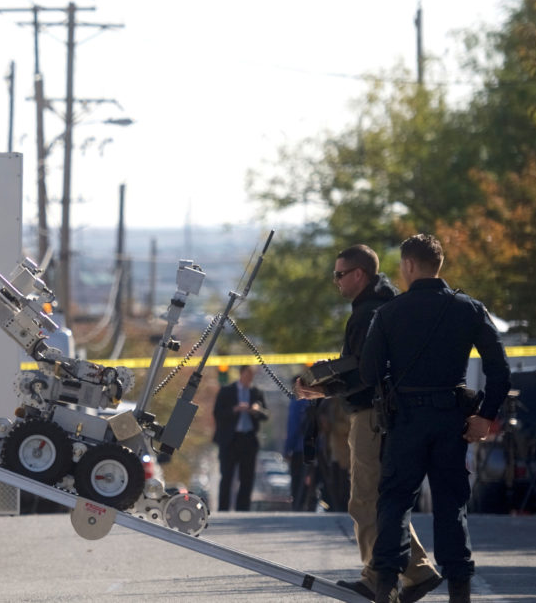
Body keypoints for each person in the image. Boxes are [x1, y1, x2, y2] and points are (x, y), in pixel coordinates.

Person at [360, 234, 511, 603]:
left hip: (406, 420)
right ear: (438, 264)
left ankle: (386, 587)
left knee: (395, 502)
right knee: (451, 505)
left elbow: (368, 373)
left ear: (409, 265)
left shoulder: (388, 313)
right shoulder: (468, 309)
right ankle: (460, 591)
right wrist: (485, 417)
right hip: (452, 419)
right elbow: (500, 370)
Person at [295, 244, 442, 602]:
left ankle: (380, 576)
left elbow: (364, 371)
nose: (336, 281)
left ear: (360, 274)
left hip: (373, 417)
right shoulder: (385, 305)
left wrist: (323, 387)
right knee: (381, 500)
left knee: (365, 501)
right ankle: (416, 571)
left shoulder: (368, 313)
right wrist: (326, 385)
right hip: (389, 415)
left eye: (340, 274)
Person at [212, 365, 268, 511]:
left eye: (252, 375)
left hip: (248, 439)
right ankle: (223, 509)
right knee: (227, 476)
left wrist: (256, 410)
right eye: (247, 374)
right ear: (241, 374)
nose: (249, 378)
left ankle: (243, 509)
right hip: (230, 440)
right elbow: (217, 413)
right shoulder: (227, 391)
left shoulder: (256, 393)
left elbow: (265, 415)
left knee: (247, 477)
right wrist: (235, 409)